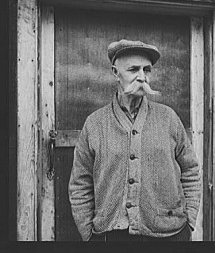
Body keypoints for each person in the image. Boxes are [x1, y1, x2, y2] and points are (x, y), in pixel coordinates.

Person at [68, 39, 201, 242]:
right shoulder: (94, 124)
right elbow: (80, 182)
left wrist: (189, 220)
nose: (142, 77)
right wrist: (88, 233)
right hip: (111, 236)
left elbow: (191, 171)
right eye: (133, 69)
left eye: (146, 70)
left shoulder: (168, 118)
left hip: (169, 234)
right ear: (115, 73)